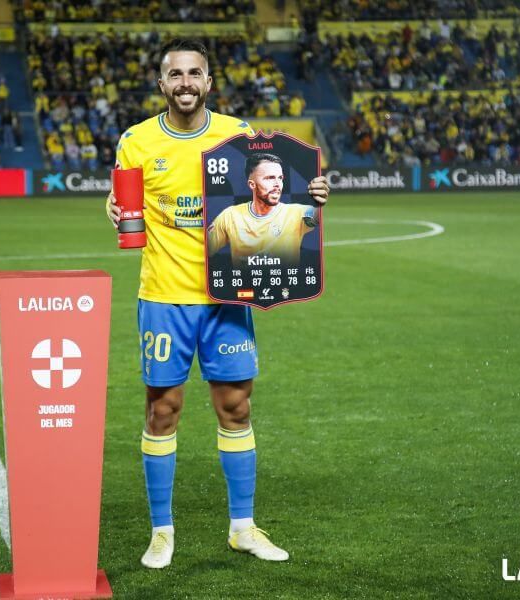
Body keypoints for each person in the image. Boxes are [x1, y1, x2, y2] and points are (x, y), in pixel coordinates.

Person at [105, 39, 329, 569]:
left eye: (195, 73)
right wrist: (111, 211)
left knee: (236, 408)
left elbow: (280, 195)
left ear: (209, 81)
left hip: (229, 297)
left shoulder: (238, 136)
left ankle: (243, 527)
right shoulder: (136, 141)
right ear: (162, 84)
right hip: (164, 296)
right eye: (174, 74)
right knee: (163, 411)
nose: (185, 83)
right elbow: (119, 199)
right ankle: (162, 532)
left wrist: (312, 193)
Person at [208, 152, 319, 266]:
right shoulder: (230, 216)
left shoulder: (297, 213)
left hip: (285, 283)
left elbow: (318, 215)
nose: (277, 184)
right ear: (252, 184)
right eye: (270, 178)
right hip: (245, 283)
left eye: (280, 178)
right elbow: (204, 250)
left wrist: (320, 199)